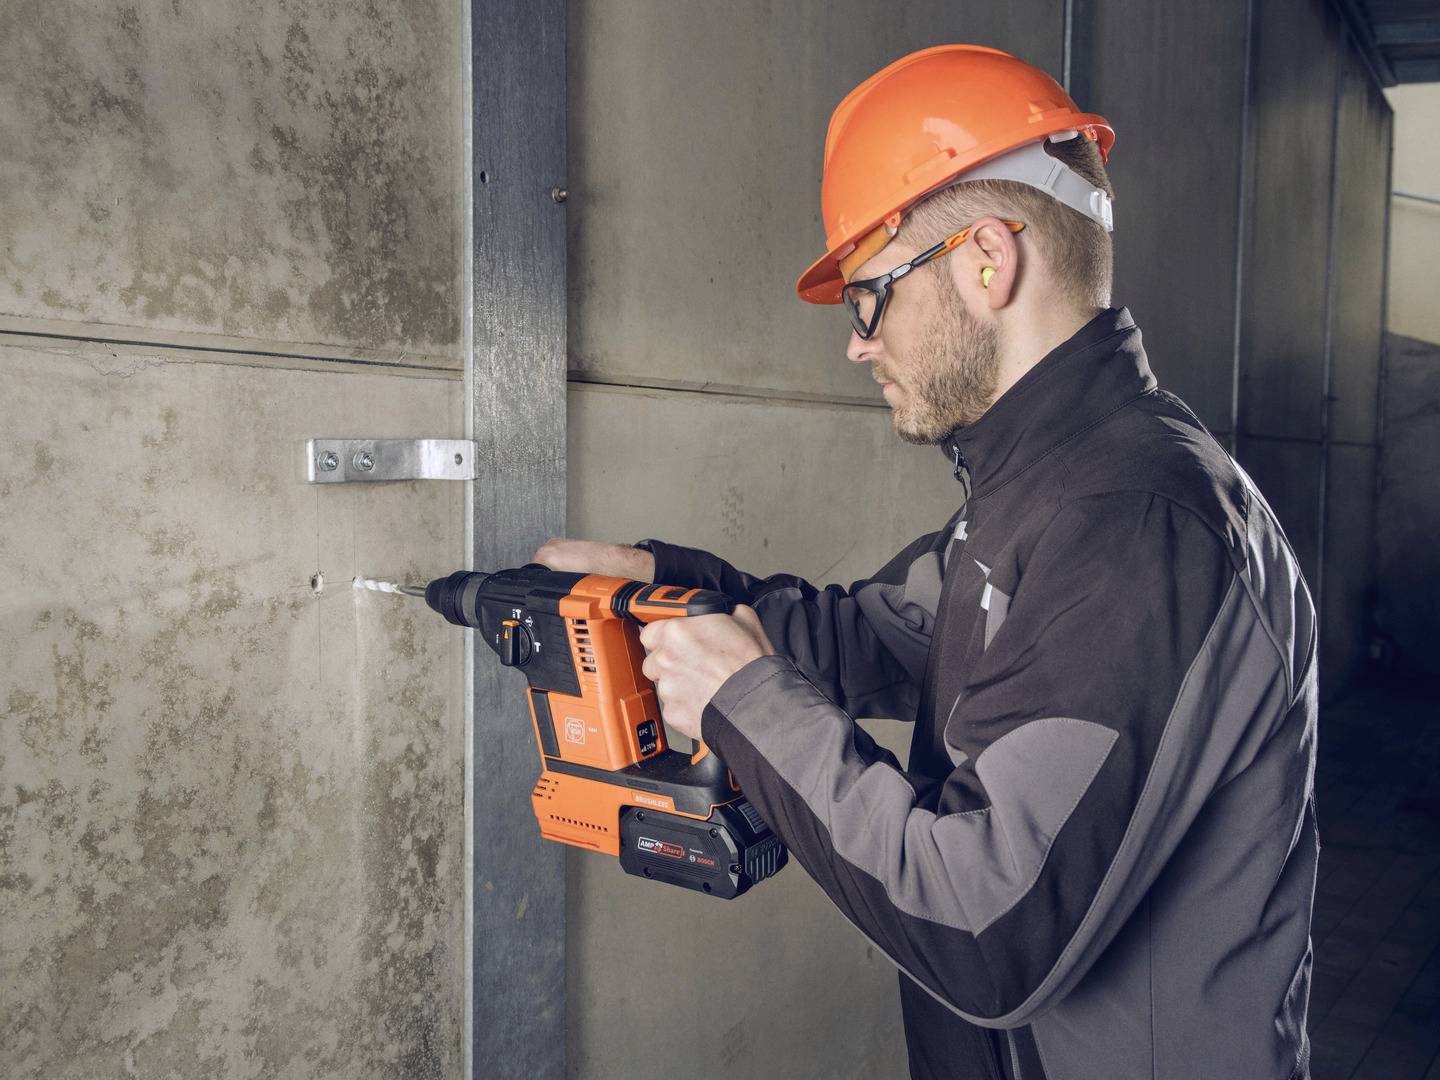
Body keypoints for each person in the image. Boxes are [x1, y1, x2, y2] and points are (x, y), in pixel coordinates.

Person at [537, 45, 1317, 1080]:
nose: (858, 343)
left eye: (870, 296)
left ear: (988, 260)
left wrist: (743, 700)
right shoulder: (1044, 489)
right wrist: (671, 588)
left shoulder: (1134, 523)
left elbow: (986, 928)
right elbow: (877, 636)